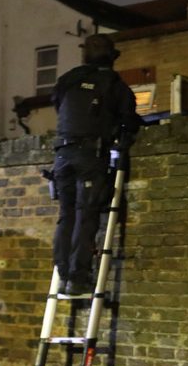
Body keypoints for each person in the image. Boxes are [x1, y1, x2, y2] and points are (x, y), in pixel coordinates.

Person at [51, 33, 141, 295]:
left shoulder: (68, 79)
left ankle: (63, 272)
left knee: (66, 215)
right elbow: (129, 118)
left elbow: (57, 105)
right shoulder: (113, 83)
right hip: (90, 156)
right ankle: (78, 277)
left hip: (62, 155)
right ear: (111, 57)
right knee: (86, 214)